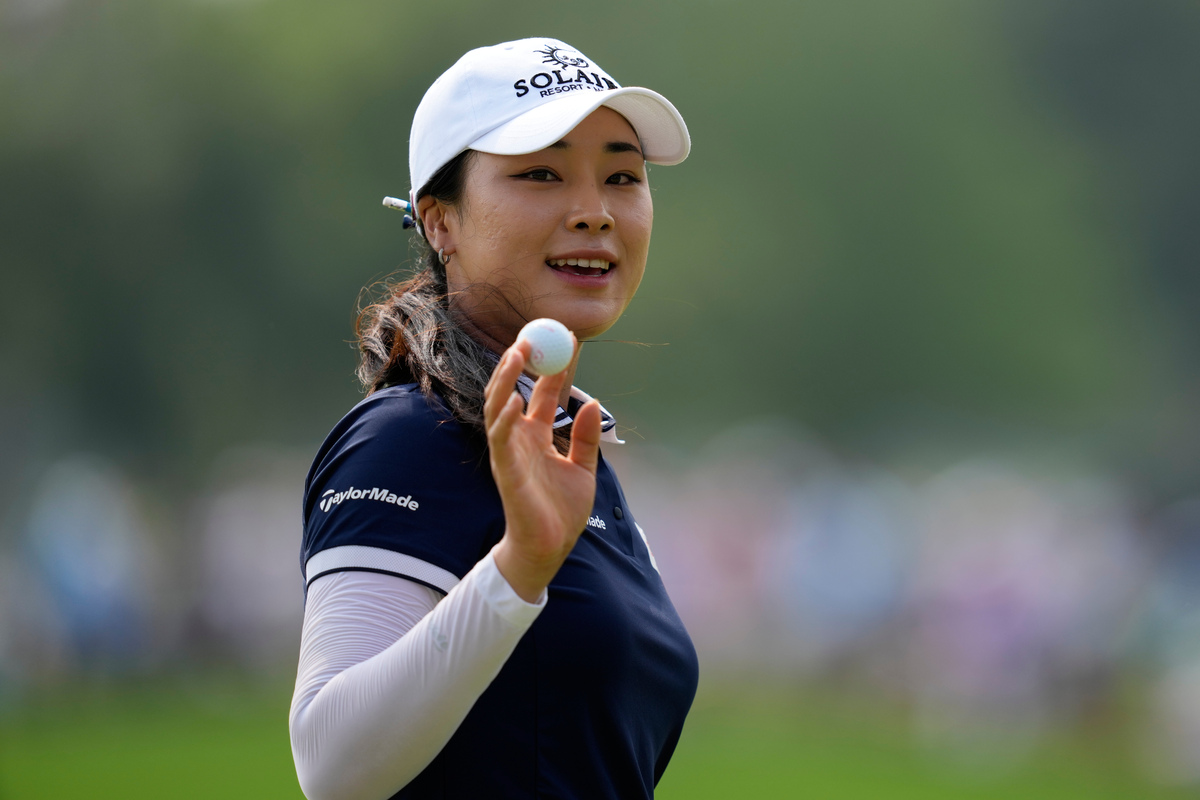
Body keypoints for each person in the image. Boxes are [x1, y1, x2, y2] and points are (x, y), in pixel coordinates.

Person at [289, 38, 698, 800]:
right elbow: (331, 764)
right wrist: (518, 570)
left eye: (621, 176)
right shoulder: (408, 438)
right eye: (541, 173)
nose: (594, 212)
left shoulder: (574, 458)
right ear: (439, 221)